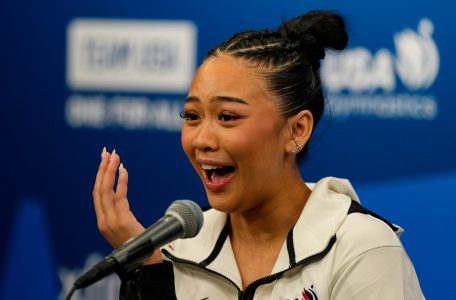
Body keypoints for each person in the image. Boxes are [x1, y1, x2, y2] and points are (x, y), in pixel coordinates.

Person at [93, 11, 425, 299]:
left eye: (227, 117)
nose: (202, 140)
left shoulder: (359, 247)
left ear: (296, 130)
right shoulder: (175, 249)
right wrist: (148, 270)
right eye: (192, 116)